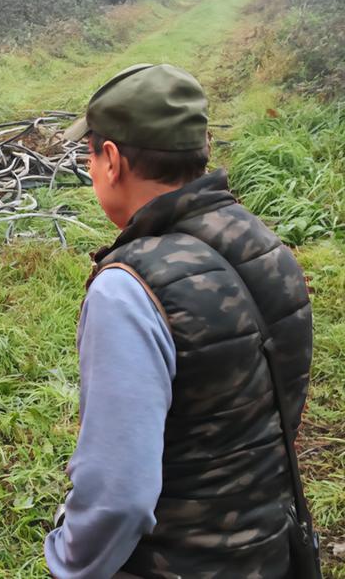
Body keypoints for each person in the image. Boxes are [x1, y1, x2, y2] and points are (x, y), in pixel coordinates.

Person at [44, 63, 320, 578]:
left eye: (89, 153)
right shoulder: (264, 244)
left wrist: (68, 563)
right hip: (272, 550)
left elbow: (119, 494)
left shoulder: (128, 289)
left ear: (110, 159)